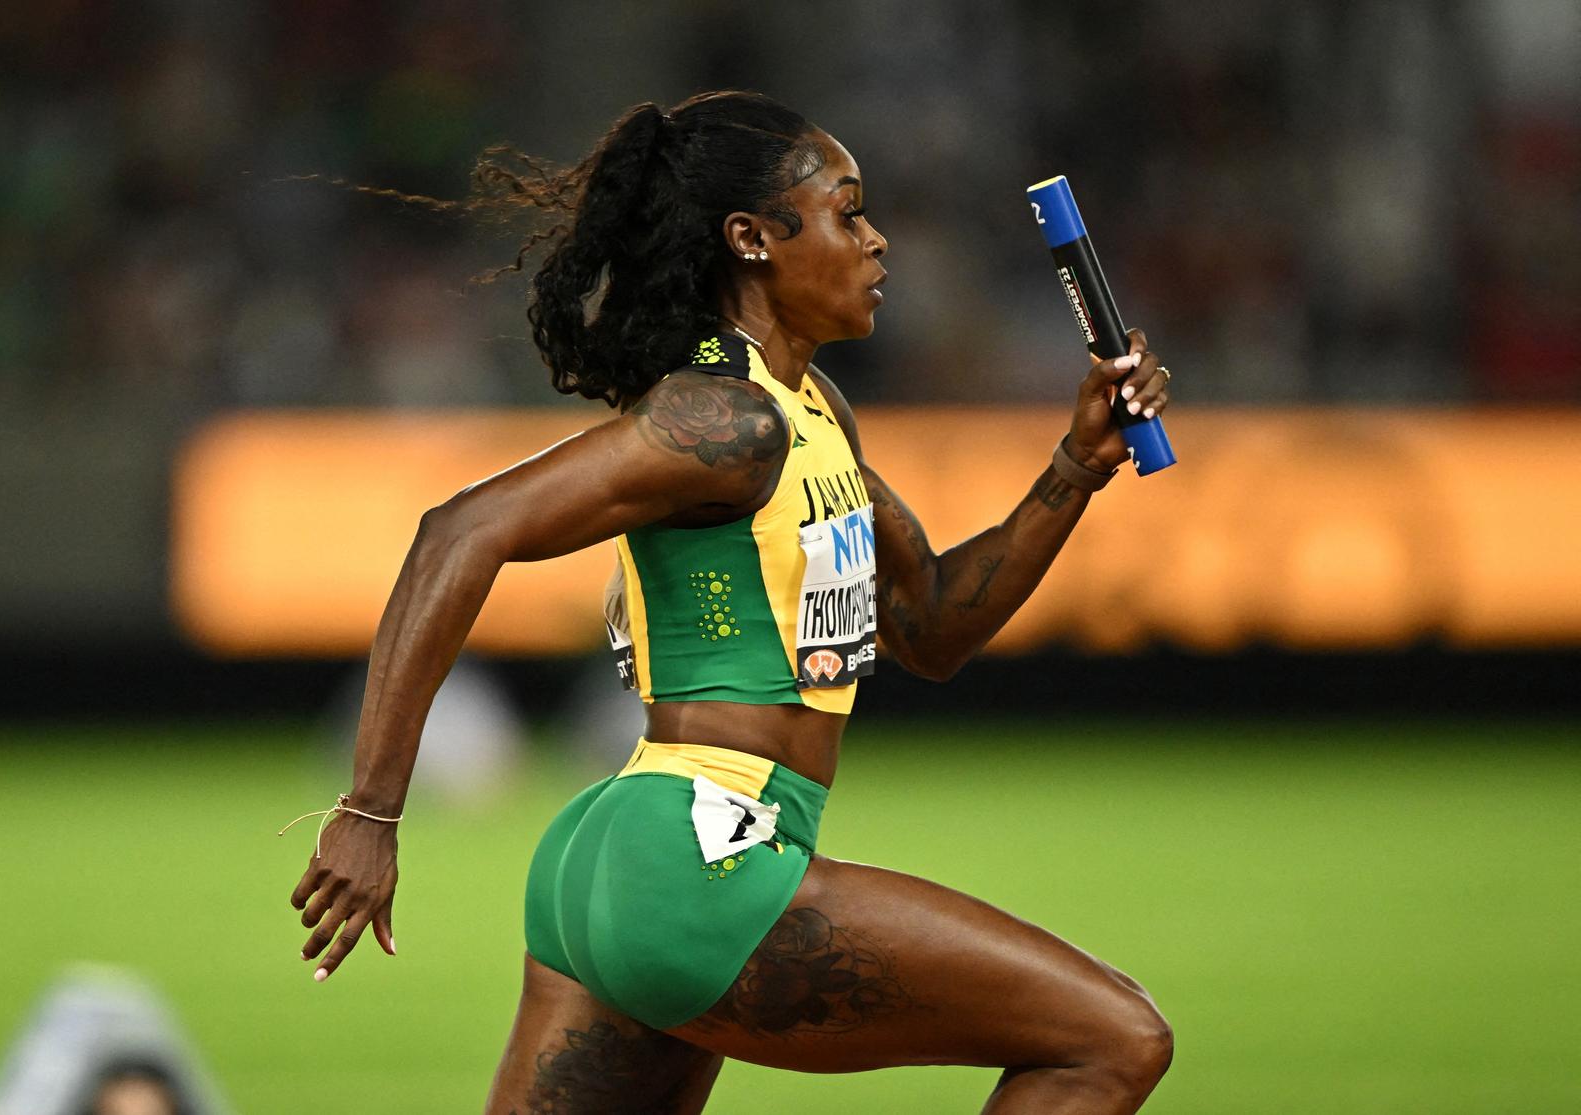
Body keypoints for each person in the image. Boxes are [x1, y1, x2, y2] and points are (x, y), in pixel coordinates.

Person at [287, 90, 1174, 1114]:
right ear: (751, 238)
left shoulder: (807, 410)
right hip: (698, 858)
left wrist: (1075, 465)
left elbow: (930, 623)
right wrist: (369, 810)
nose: (878, 241)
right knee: (1112, 1037)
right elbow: (461, 529)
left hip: (622, 857)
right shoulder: (723, 415)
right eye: (847, 212)